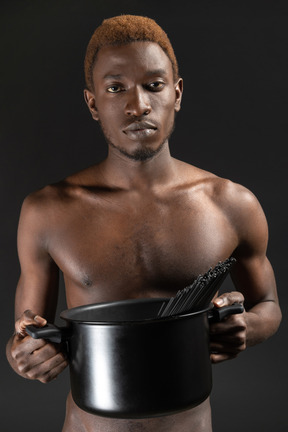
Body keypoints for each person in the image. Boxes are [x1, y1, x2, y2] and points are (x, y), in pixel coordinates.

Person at [6, 15, 281, 432]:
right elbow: (29, 331)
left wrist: (246, 327)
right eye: (116, 88)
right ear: (94, 103)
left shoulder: (231, 204)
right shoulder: (48, 211)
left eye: (153, 85)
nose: (138, 106)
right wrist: (24, 354)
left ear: (177, 92)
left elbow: (269, 307)